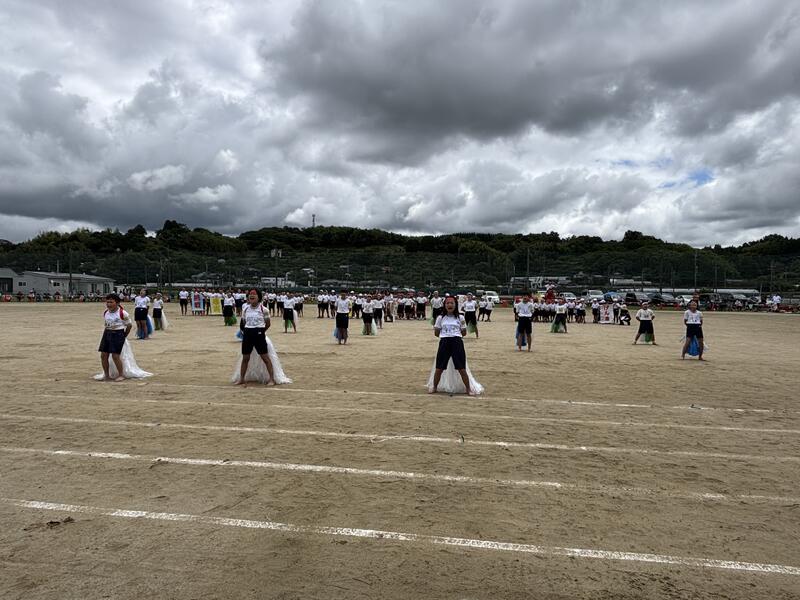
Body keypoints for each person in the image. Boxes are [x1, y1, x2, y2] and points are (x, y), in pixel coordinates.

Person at [427, 297, 482, 396]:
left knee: (461, 368)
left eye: (452, 303)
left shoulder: (460, 317)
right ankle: (434, 387)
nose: (449, 305)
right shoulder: (440, 318)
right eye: (447, 303)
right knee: (439, 368)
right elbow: (436, 333)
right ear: (444, 305)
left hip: (457, 342)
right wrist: (446, 335)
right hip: (444, 342)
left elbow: (464, 332)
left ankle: (468, 388)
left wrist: (454, 334)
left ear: (455, 305)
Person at [234, 290, 290, 385]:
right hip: (247, 334)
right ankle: (241, 379)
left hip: (259, 334)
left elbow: (268, 323)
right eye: (250, 295)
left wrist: (260, 332)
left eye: (254, 295)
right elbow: (243, 322)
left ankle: (271, 379)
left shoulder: (264, 310)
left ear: (259, 297)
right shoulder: (245, 309)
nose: (251, 296)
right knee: (245, 358)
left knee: (265, 357)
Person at [94, 293, 151, 381]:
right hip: (107, 333)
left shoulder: (122, 313)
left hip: (118, 334)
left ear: (117, 303)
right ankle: (106, 374)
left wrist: (123, 335)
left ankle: (121, 374)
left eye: (111, 302)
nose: (109, 304)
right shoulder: (106, 312)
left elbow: (129, 325)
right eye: (107, 302)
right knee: (103, 355)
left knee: (115, 356)